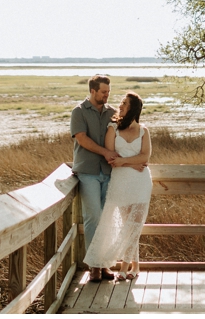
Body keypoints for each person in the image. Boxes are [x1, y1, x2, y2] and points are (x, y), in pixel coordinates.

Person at [82, 91, 152, 281]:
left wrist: (125, 162)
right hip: (121, 182)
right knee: (127, 226)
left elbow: (145, 157)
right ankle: (134, 267)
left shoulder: (144, 131)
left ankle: (124, 268)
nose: (120, 106)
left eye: (124, 103)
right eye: (121, 102)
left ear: (133, 108)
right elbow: (111, 156)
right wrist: (131, 162)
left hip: (141, 182)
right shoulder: (113, 128)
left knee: (135, 226)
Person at [70, 74, 118, 282]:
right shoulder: (78, 112)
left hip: (108, 173)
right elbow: (82, 139)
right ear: (93, 91)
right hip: (88, 172)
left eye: (108, 91)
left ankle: (105, 264)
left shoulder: (113, 112)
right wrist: (105, 153)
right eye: (103, 92)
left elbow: (121, 137)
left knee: (106, 218)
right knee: (93, 218)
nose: (107, 95)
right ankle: (94, 266)